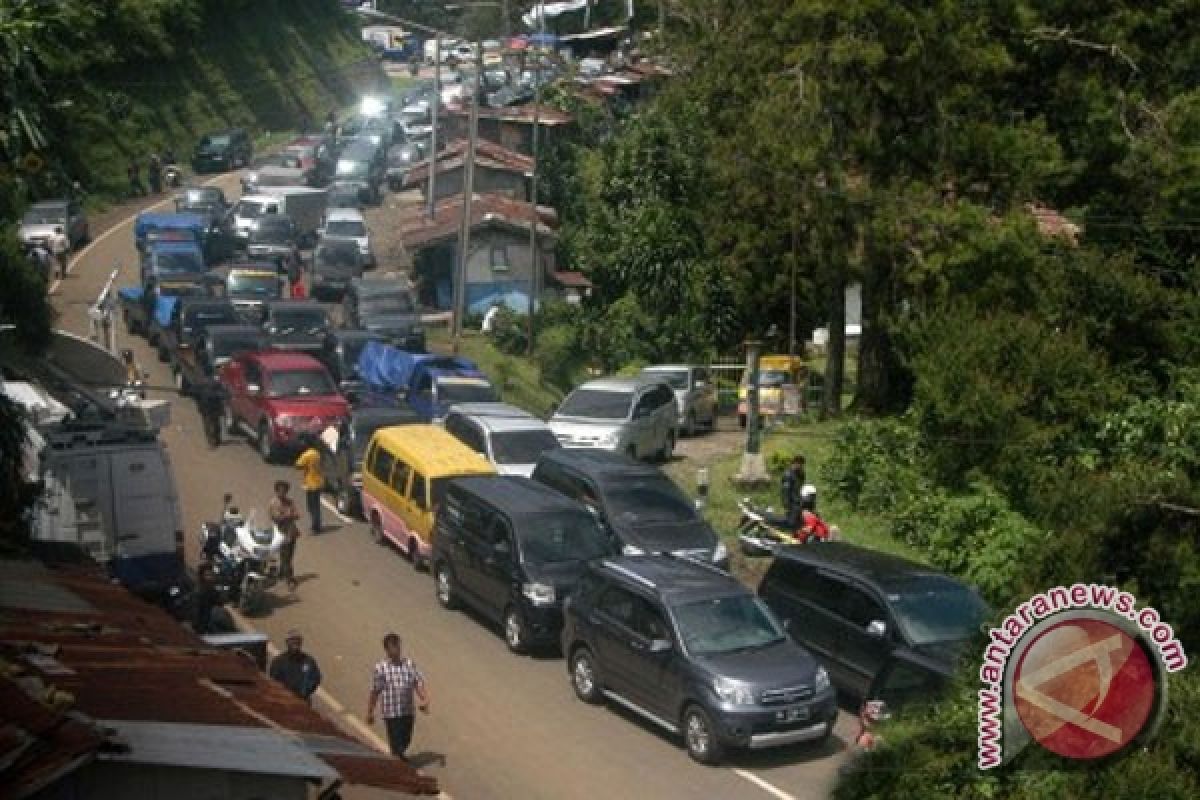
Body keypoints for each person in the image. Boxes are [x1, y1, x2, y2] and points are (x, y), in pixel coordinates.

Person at [366, 633, 430, 761]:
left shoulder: (409, 664)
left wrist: (424, 699)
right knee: (396, 743)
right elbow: (375, 691)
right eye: (392, 647)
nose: (396, 650)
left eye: (397, 646)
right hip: (392, 713)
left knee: (406, 739)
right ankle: (396, 764)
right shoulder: (381, 668)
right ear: (387, 650)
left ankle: (399, 755)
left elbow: (417, 682)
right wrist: (370, 712)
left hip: (407, 710)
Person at [269, 630, 322, 703]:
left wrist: (305, 690)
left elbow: (316, 677)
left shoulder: (308, 660)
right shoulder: (278, 661)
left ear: (301, 642)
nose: (295, 642)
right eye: (292, 640)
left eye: (297, 640)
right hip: (284, 701)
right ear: (287, 642)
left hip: (303, 701)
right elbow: (273, 681)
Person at [269, 480, 301, 591]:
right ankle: (290, 579)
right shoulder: (273, 503)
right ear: (276, 491)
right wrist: (289, 515)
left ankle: (282, 573)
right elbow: (276, 518)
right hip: (281, 533)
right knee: (286, 557)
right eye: (280, 490)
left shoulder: (290, 502)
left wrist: (287, 515)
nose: (283, 493)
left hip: (291, 532)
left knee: (288, 556)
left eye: (285, 490)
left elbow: (297, 515)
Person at [294, 435, 323, 533]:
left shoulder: (306, 455)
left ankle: (315, 527)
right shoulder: (316, 453)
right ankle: (317, 525)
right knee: (316, 506)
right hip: (319, 482)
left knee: (311, 506)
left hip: (311, 483)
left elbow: (298, 465)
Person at [196, 381, 226, 449]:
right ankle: (212, 441)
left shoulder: (202, 383)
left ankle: (213, 440)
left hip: (210, 407)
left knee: (211, 424)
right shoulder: (216, 383)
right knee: (212, 424)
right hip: (209, 407)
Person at [780, 454, 806, 526]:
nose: (800, 466)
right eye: (798, 463)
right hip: (791, 503)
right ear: (794, 463)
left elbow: (801, 487)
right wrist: (786, 504)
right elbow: (785, 491)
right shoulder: (788, 475)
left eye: (801, 464)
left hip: (798, 502)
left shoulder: (801, 474)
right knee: (791, 523)